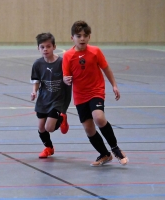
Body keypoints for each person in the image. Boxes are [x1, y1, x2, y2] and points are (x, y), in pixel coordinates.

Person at [62, 20, 128, 166]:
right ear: (72, 38)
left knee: (98, 117)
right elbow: (66, 77)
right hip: (80, 95)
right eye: (78, 36)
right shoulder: (68, 56)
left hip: (96, 91)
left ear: (89, 37)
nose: (82, 38)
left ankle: (115, 148)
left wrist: (114, 86)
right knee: (88, 128)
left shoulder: (95, 51)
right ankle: (104, 154)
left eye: (85, 35)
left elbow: (106, 69)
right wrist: (65, 80)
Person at [31, 32, 72, 158]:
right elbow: (36, 80)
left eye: (48, 46)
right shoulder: (37, 64)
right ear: (38, 48)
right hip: (44, 99)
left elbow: (69, 76)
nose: (45, 49)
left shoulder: (62, 62)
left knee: (49, 127)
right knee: (41, 128)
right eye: (42, 47)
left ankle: (61, 118)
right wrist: (34, 91)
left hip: (58, 99)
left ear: (54, 47)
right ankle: (49, 148)